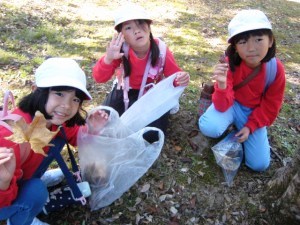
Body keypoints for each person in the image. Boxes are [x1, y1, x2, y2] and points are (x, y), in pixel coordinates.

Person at [0, 57, 109, 225]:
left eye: (75, 99)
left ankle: (33, 177)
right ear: (37, 90)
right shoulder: (9, 138)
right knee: (36, 192)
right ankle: (21, 220)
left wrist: (92, 129)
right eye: (59, 93)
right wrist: (3, 182)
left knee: (57, 139)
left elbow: (75, 137)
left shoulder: (53, 119)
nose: (67, 106)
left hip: (19, 174)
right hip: (3, 192)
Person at [198, 9, 286, 172]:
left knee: (259, 165)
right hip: (232, 104)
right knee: (209, 127)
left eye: (259, 39)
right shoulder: (229, 64)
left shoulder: (275, 70)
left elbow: (271, 106)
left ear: (271, 40)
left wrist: (250, 126)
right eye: (243, 42)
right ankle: (232, 125)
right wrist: (222, 86)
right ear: (235, 47)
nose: (251, 48)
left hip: (253, 112)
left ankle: (241, 131)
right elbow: (222, 106)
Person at [92, 3, 190, 142]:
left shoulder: (161, 50)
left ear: (149, 27)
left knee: (151, 136)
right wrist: (108, 59)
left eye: (140, 24)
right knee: (101, 124)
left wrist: (180, 78)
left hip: (151, 93)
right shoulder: (120, 51)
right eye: (128, 28)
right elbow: (99, 77)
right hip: (125, 90)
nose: (137, 31)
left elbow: (174, 76)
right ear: (122, 35)